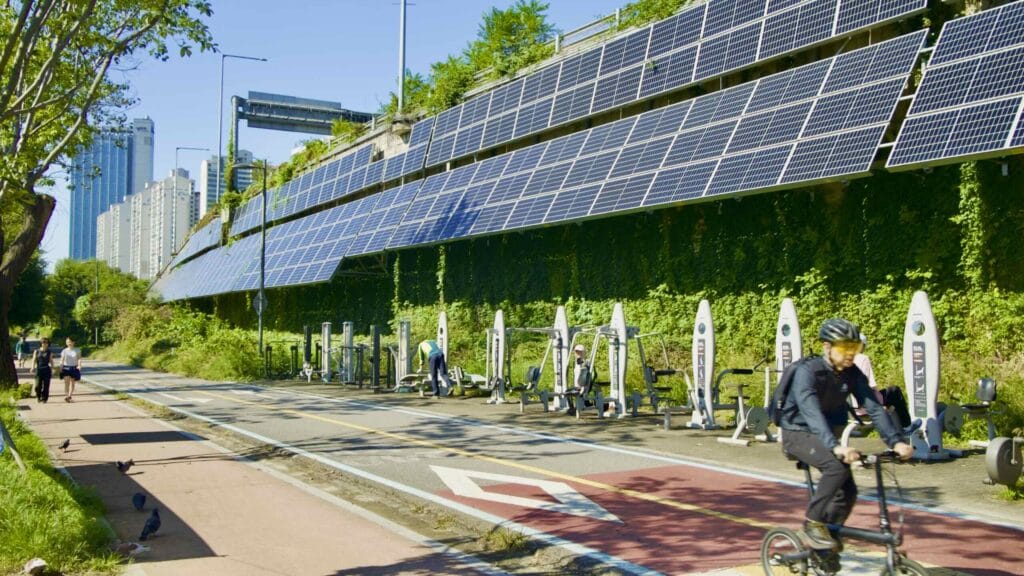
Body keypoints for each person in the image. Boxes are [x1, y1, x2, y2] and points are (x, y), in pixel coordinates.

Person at [775, 318, 913, 568]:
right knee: (836, 468)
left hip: (824, 434)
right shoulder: (809, 372)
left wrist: (897, 441)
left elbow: (874, 408)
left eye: (854, 348)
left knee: (849, 491)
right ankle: (813, 523)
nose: (850, 355)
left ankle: (826, 543)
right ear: (827, 347)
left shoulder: (852, 373)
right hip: (796, 433)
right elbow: (811, 412)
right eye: (844, 349)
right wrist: (836, 446)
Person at [852, 333, 917, 432]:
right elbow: (869, 386)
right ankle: (907, 426)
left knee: (889, 400)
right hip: (865, 407)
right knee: (895, 391)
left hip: (850, 409)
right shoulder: (862, 358)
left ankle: (896, 432)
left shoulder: (841, 358)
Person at [565, 344, 590, 416]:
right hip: (577, 385)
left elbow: (585, 367)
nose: (578, 354)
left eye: (580, 352)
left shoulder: (586, 361)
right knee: (567, 392)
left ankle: (574, 408)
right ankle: (572, 408)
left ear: (584, 352)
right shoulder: (575, 362)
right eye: (577, 352)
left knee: (569, 392)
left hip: (583, 386)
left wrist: (582, 362)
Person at [30, 338, 54, 403]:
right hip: (39, 369)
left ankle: (44, 398)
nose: (44, 344)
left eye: (46, 343)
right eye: (43, 342)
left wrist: (52, 368)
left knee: (46, 385)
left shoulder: (49, 352)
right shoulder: (36, 351)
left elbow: (51, 361)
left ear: (48, 344)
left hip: (46, 369)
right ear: (41, 343)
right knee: (38, 385)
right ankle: (38, 396)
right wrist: (32, 367)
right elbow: (34, 360)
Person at [59, 337, 82, 403]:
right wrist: (61, 367)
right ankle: (66, 396)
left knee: (73, 383)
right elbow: (62, 360)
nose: (68, 343)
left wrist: (79, 365)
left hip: (74, 368)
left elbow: (79, 358)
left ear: (73, 342)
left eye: (70, 342)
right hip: (66, 368)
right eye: (67, 342)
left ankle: (69, 395)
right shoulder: (64, 351)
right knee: (67, 383)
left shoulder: (77, 350)